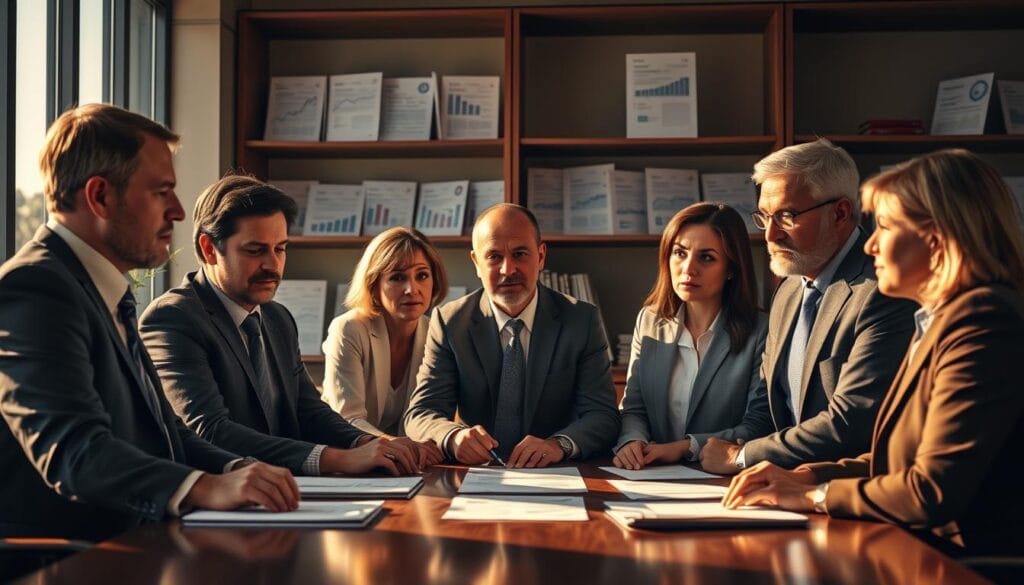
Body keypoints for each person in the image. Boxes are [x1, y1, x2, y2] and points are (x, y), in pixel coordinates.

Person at [0, 104, 298, 540]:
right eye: (162, 192)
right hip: (71, 558)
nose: (178, 211)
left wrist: (239, 469)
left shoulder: (101, 289)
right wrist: (206, 486)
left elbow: (166, 430)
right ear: (100, 196)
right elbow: (75, 451)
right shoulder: (36, 288)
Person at [723, 149, 1024, 557]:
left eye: (883, 226)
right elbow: (897, 463)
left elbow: (928, 490)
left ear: (936, 239)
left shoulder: (983, 322)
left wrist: (816, 496)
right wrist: (809, 477)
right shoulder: (940, 320)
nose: (871, 246)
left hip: (968, 564)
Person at [140, 175, 426, 477]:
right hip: (216, 501)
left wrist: (367, 442)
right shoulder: (173, 319)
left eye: (280, 249)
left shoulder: (277, 318)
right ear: (209, 249)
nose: (272, 265)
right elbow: (211, 431)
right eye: (255, 250)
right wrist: (339, 459)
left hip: (284, 493)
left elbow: (308, 411)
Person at [700, 139, 917, 474]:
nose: (770, 235)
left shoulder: (881, 288)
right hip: (782, 487)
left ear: (840, 213)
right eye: (764, 216)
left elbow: (852, 421)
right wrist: (693, 447)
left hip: (847, 489)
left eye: (786, 216)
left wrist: (740, 458)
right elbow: (766, 410)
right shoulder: (787, 290)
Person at [404, 203, 619, 467]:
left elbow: (603, 415)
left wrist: (558, 445)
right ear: (476, 262)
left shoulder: (581, 320)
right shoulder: (450, 322)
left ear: (541, 256)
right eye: (494, 257)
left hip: (556, 472)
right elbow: (422, 412)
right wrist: (453, 436)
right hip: (478, 474)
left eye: (520, 253)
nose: (508, 269)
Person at [613, 202, 771, 470]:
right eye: (679, 253)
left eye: (706, 257)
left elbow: (759, 424)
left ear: (732, 268)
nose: (688, 268)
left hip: (724, 477)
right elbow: (634, 407)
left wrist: (684, 448)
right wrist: (632, 441)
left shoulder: (761, 330)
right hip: (650, 475)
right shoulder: (650, 320)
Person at [321, 227, 447, 451]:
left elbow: (434, 415)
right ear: (373, 284)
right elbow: (346, 420)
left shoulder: (436, 333)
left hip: (412, 464)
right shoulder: (349, 329)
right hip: (350, 456)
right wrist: (400, 446)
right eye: (397, 278)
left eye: (422, 275)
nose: (412, 289)